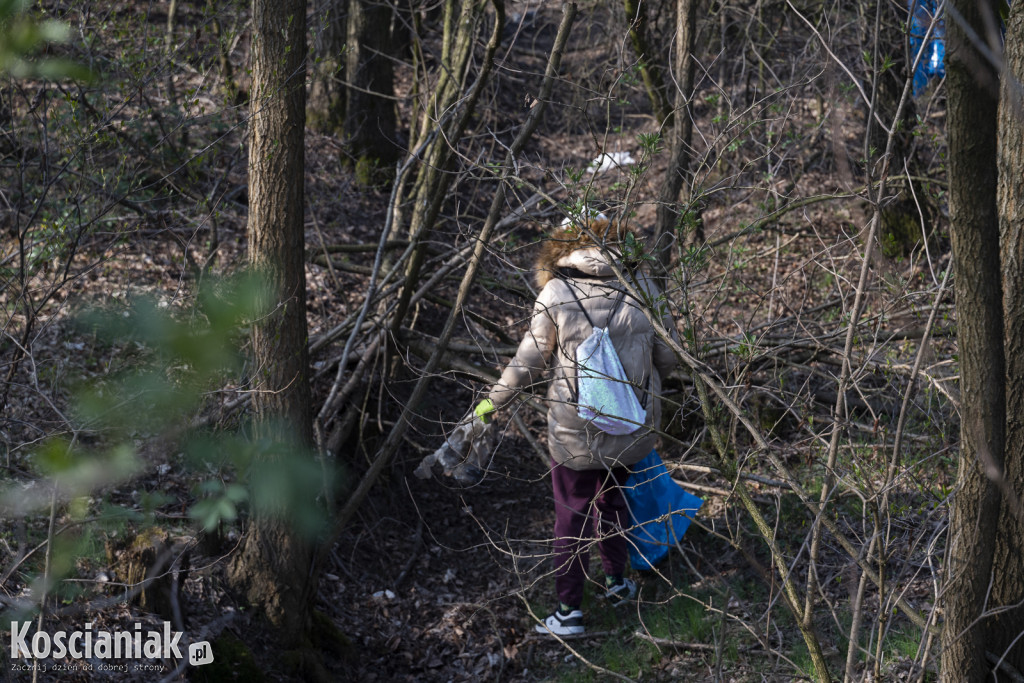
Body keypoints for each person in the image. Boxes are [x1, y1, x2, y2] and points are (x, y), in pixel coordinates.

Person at [468, 215, 680, 637]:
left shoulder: (556, 292)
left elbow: (529, 361)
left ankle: (569, 611)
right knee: (615, 503)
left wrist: (493, 401)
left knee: (572, 515)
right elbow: (669, 357)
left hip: (573, 430)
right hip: (629, 423)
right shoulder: (643, 288)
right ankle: (617, 583)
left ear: (563, 248)